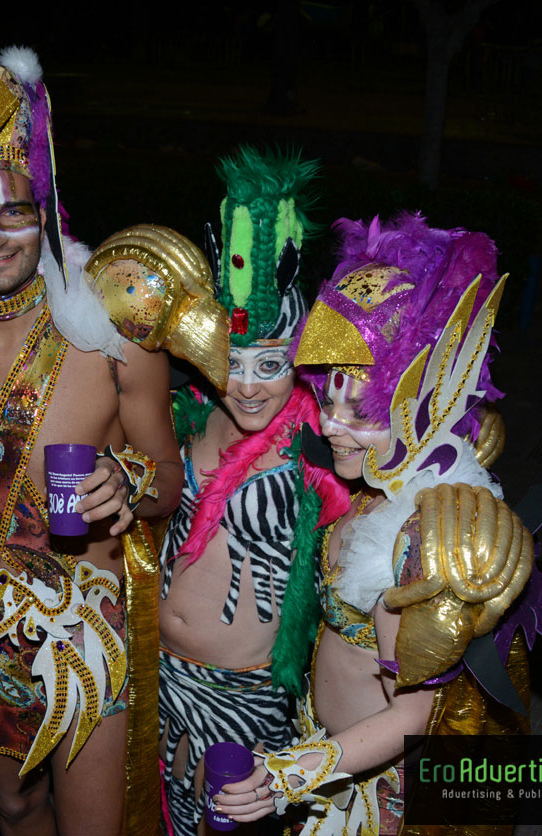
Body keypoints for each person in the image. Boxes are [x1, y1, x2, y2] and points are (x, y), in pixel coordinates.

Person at [213, 214, 542, 834]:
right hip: (336, 762)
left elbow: (413, 717)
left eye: (360, 411)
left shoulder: (416, 538)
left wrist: (287, 775)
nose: (330, 424)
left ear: (418, 407)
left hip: (376, 794)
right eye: (328, 400)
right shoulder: (375, 487)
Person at [0, 43, 185, 835]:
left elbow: (168, 476)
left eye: (12, 212)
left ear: (44, 209)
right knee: (15, 803)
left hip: (85, 631)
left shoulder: (113, 335)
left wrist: (127, 483)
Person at [156, 148, 349, 836]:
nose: (246, 385)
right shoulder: (185, 416)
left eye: (270, 364)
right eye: (232, 362)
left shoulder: (320, 450)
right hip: (159, 677)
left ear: (297, 359)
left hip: (250, 697)